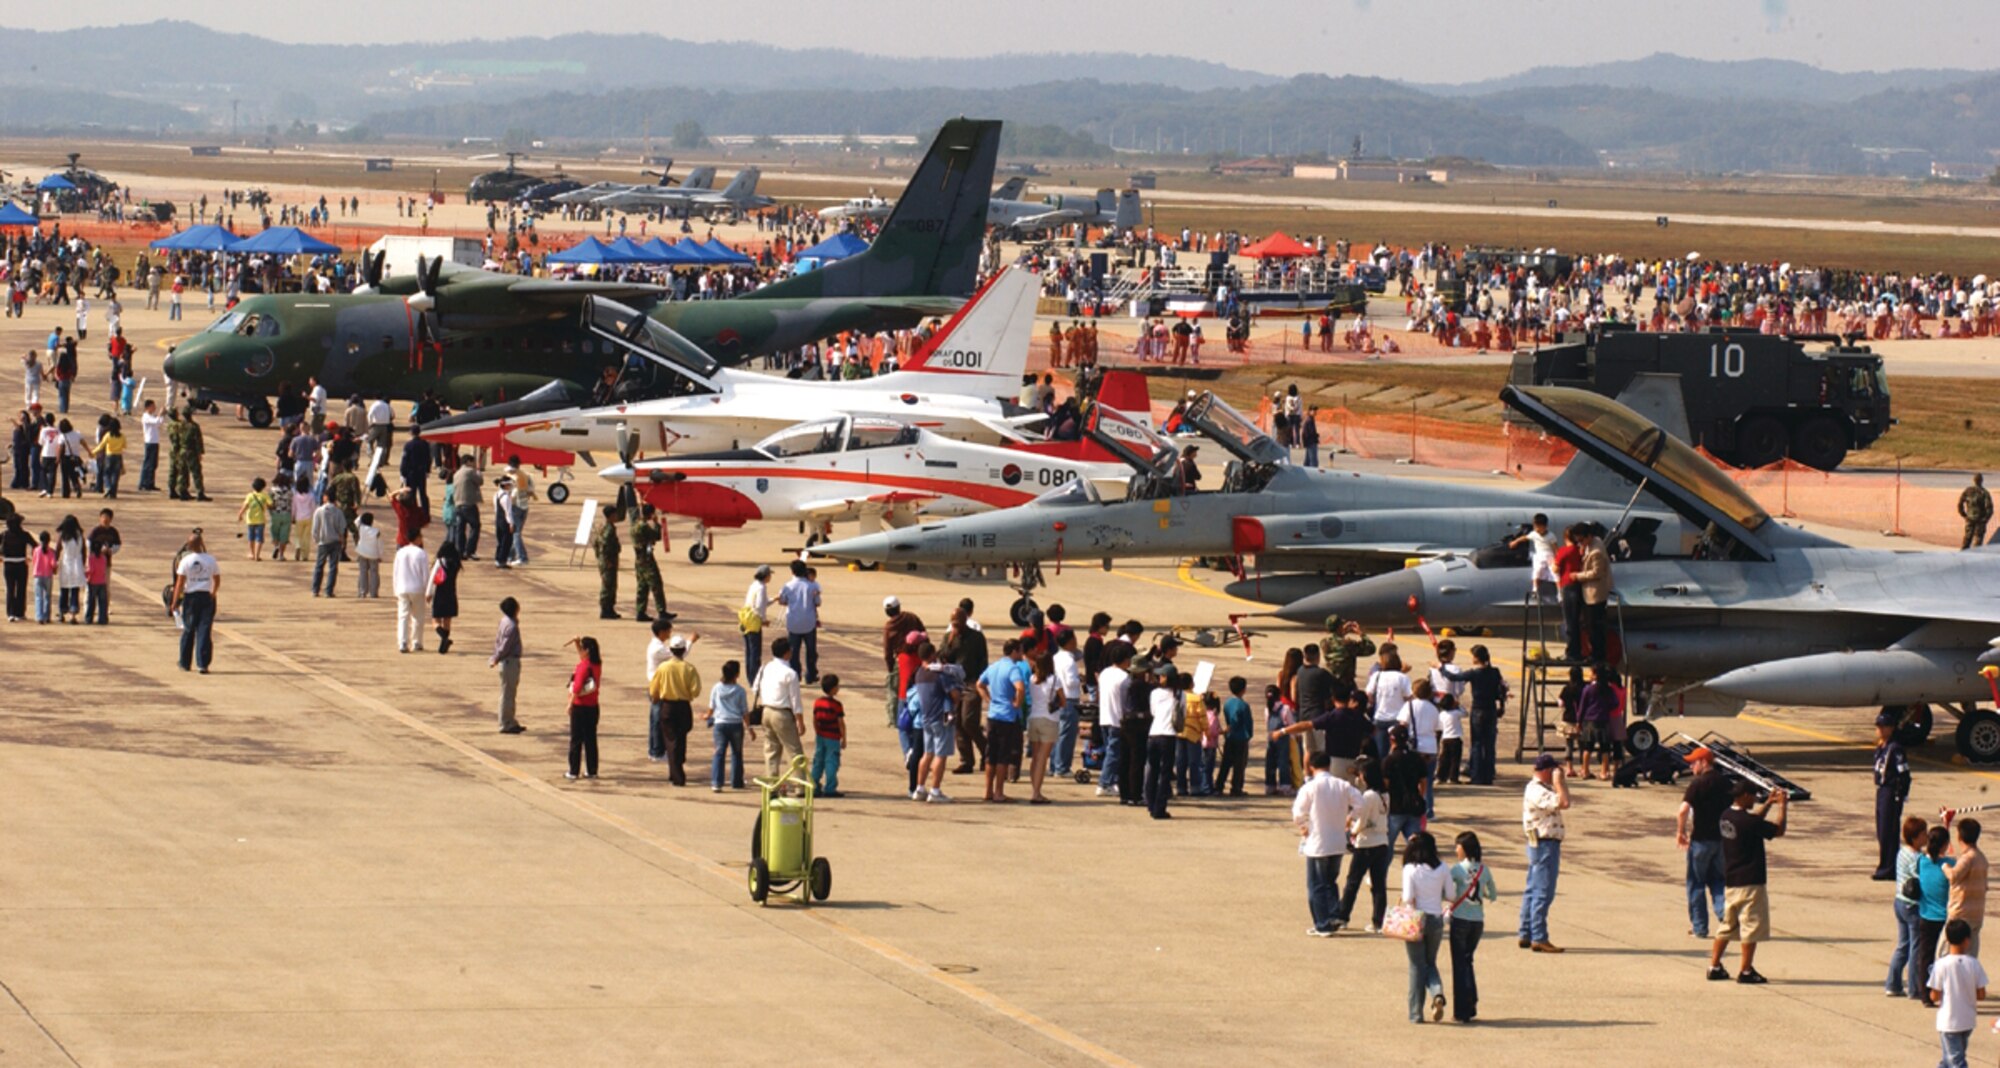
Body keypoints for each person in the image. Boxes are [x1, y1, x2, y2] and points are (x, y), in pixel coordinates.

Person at [1710, 780, 1788, 984]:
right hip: (1750, 881)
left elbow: (1753, 822)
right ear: (1744, 795)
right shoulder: (1748, 822)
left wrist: (1769, 803)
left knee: (1727, 926)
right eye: (1753, 795)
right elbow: (1778, 830)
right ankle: (1745, 970)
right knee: (1750, 927)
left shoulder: (1727, 816)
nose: (1755, 799)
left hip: (1732, 881)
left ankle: (1714, 965)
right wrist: (1782, 806)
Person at [1293, 750, 1362, 936]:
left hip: (1318, 842)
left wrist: (1303, 826)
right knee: (1331, 882)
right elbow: (1360, 802)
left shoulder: (1311, 787)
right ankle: (1332, 918)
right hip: (1337, 841)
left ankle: (1322, 923)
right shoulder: (1341, 785)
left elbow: (1298, 812)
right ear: (1329, 765)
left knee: (1316, 885)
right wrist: (1350, 818)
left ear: (1311, 767)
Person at [1676, 746, 1732, 939]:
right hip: (1721, 841)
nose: (1691, 766)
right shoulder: (1725, 782)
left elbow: (1683, 810)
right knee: (1718, 880)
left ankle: (1699, 927)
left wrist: (1680, 832)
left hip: (1700, 841)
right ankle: (1727, 918)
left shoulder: (1697, 784)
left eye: (1694, 762)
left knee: (1696, 883)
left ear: (1704, 763)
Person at [1519, 753, 1571, 953]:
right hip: (1544, 843)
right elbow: (1564, 802)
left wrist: (1558, 781)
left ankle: (1526, 932)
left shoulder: (1540, 788)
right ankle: (1539, 936)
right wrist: (1559, 781)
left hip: (1540, 842)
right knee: (1543, 891)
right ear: (1547, 771)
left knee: (1532, 889)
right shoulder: (1537, 790)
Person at [1447, 831, 1499, 1023]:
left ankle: (1461, 1010)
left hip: (1460, 919)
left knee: (1459, 965)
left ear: (1465, 849)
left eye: (1457, 846)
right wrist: (1481, 895)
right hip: (1477, 921)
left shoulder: (1457, 870)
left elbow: (1449, 893)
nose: (1455, 850)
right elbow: (1493, 894)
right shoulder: (1484, 870)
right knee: (1468, 961)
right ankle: (1471, 1002)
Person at [1401, 831, 1450, 1023]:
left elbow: (1407, 897)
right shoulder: (1443, 868)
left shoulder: (1410, 869)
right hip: (1436, 919)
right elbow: (1451, 895)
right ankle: (1437, 993)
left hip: (1416, 919)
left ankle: (1415, 1013)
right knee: (1430, 962)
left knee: (1416, 966)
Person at [912, 641, 966, 803]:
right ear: (932, 655)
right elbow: (954, 694)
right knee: (941, 755)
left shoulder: (919, 673)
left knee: (927, 754)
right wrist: (957, 700)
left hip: (926, 718)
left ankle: (920, 788)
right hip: (941, 719)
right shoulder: (940, 675)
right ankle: (935, 791)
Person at [1931, 918, 1986, 1068]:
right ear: (1967, 940)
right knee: (1953, 1058)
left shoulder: (1941, 965)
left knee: (1954, 1060)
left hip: (1948, 1021)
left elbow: (1934, 995)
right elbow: (1981, 994)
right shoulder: (1974, 963)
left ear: (1947, 939)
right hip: (1967, 1020)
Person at [978, 639, 1029, 803]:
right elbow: (1020, 687)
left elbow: (979, 684)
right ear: (1014, 651)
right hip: (1008, 716)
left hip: (993, 715)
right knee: (1003, 755)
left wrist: (988, 699)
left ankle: (988, 790)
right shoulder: (1012, 668)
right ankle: (999, 791)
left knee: (990, 754)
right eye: (1020, 651)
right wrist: (1017, 703)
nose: (1022, 654)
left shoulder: (994, 666)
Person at [648, 634, 701, 787]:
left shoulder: (663, 667)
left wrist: (657, 697)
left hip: (668, 706)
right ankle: (677, 771)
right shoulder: (689, 668)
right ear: (683, 649)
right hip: (683, 706)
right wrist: (687, 695)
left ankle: (675, 773)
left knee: (671, 741)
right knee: (681, 737)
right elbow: (696, 690)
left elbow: (654, 689)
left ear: (671, 650)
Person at [169, 531, 219, 673]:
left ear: (189, 546)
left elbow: (179, 583)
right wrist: (213, 593)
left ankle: (185, 662)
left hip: (190, 598)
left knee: (188, 629)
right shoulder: (210, 560)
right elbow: (217, 579)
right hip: (206, 597)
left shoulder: (185, 561)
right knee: (204, 630)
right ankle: (202, 664)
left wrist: (174, 602)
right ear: (202, 544)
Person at [1891, 816, 1929, 1000]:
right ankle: (1915, 987)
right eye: (1924, 834)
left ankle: (1893, 983)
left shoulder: (1902, 852)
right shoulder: (1917, 858)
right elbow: (1923, 874)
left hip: (1899, 901)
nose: (1927, 837)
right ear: (1915, 837)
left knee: (1903, 945)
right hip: (1912, 906)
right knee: (1916, 948)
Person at [756, 636, 805, 777]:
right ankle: (799, 786)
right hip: (782, 713)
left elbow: (756, 688)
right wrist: (800, 721)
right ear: (786, 653)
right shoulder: (790, 674)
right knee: (794, 750)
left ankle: (772, 785)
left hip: (766, 711)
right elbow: (795, 701)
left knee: (771, 750)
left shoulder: (765, 667)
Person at [1873, 709, 1913, 880]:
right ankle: (1884, 864)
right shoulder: (1881, 747)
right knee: (1882, 830)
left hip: (1891, 791)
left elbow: (1904, 774)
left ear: (1891, 728)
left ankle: (1889, 868)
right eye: (1879, 726)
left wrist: (1901, 794)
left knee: (1889, 830)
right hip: (1881, 790)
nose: (1881, 730)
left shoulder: (1895, 749)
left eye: (1885, 726)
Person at [1941, 815, 1987, 960]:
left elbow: (1954, 876)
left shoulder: (1968, 858)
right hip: (1976, 913)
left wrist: (1945, 866)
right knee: (1970, 955)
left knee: (1944, 953)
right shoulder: (1981, 858)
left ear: (1960, 836)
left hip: (1960, 913)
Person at [1918, 825, 1955, 1007]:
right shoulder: (1948, 864)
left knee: (1925, 956)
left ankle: (1925, 994)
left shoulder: (1921, 861)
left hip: (1925, 915)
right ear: (1946, 845)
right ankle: (1942, 991)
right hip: (1943, 917)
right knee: (1945, 958)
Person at [1145, 671, 1188, 819]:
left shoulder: (1155, 693)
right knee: (1165, 773)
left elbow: (1153, 712)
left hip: (1153, 733)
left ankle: (1150, 804)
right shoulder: (1180, 694)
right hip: (1168, 736)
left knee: (1153, 770)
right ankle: (1160, 808)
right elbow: (1183, 714)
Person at [882, 595, 926, 726]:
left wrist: (890, 667)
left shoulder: (889, 626)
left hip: (902, 660)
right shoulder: (911, 617)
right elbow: (924, 633)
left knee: (896, 690)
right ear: (899, 607)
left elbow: (887, 651)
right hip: (919, 657)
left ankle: (896, 720)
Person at [1383, 725, 1427, 857]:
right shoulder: (1417, 758)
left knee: (1387, 845)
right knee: (1415, 846)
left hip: (1395, 807)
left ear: (1391, 740)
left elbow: (1385, 784)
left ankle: (1381, 875)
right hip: (1413, 806)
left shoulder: (1389, 760)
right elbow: (1423, 781)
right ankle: (1419, 870)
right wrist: (1419, 796)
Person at [564, 636, 603, 781]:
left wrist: (569, 704)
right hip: (593, 706)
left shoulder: (583, 667)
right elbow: (583, 656)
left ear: (587, 650)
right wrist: (577, 644)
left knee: (576, 740)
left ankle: (573, 770)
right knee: (590, 739)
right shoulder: (596, 664)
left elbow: (578, 687)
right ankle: (592, 770)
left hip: (580, 707)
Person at [1096, 643, 1132, 798]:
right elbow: (1126, 701)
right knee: (1114, 753)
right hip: (1117, 720)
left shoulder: (1104, 673)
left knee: (1111, 751)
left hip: (1104, 717)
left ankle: (1112, 781)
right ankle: (1104, 783)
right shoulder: (1124, 677)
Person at [706, 660, 748, 791]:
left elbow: (711, 707)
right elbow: (744, 711)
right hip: (736, 724)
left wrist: (707, 716)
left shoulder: (717, 688)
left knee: (719, 753)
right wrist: (749, 728)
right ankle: (736, 782)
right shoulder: (740, 690)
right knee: (736, 753)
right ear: (737, 674)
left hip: (720, 724)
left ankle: (716, 782)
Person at [777, 559, 821, 684]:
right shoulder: (812, 585)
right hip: (809, 622)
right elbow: (818, 602)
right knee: (811, 651)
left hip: (793, 622)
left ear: (792, 571)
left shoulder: (788, 586)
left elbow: (782, 601)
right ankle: (810, 675)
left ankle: (796, 675)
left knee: (793, 652)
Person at [1025, 654, 1062, 803]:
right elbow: (1063, 700)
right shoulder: (1054, 680)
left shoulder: (1032, 679)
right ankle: (1036, 792)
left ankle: (1034, 789)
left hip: (1033, 717)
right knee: (1042, 758)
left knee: (1035, 757)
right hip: (1049, 719)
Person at [489, 597, 525, 734]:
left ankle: (511, 720)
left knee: (510, 692)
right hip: (509, 661)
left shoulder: (505, 621)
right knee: (507, 694)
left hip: (508, 661)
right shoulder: (512, 626)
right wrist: (496, 658)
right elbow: (504, 646)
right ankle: (505, 723)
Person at [392, 532, 430, 653]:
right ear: (417, 538)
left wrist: (396, 588)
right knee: (418, 617)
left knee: (403, 616)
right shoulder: (421, 553)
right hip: (417, 588)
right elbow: (425, 574)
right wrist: (427, 590)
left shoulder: (400, 552)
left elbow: (395, 572)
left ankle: (402, 642)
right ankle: (417, 641)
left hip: (402, 587)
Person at [809, 675, 846, 796]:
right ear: (833, 688)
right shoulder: (837, 705)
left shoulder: (818, 702)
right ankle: (830, 788)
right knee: (831, 762)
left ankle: (814, 786)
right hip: (833, 737)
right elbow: (841, 723)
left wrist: (817, 731)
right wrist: (844, 738)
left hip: (821, 736)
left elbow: (814, 719)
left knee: (818, 761)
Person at [630, 505, 667, 622]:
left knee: (642, 586)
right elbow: (656, 536)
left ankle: (640, 612)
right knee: (656, 584)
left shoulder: (635, 525)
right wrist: (656, 524)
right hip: (647, 560)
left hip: (639, 560)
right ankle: (662, 611)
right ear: (650, 514)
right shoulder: (644, 526)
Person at [1217, 676, 1253, 797]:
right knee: (1239, 764)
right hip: (1241, 737)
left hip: (1230, 736)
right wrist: (1249, 734)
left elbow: (1228, 719)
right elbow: (1248, 722)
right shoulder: (1244, 705)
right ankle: (1236, 787)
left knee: (1226, 762)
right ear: (1244, 689)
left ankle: (1219, 785)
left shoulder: (1227, 703)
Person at [310, 496, 347, 597]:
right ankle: (329, 591)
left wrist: (316, 539)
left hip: (323, 542)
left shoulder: (319, 511)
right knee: (333, 567)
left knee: (319, 566)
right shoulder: (338, 512)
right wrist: (342, 539)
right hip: (335, 542)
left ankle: (315, 589)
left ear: (326, 498)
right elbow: (342, 528)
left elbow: (315, 527)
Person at [429, 541, 462, 653]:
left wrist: (428, 593)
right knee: (447, 620)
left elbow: (432, 579)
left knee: (435, 620)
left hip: (440, 593)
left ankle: (444, 637)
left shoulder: (440, 562)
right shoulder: (456, 563)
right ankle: (443, 646)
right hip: (451, 593)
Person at [740, 564, 771, 681]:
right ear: (766, 576)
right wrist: (764, 620)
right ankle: (754, 677)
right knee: (755, 652)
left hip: (746, 619)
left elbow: (760, 603)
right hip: (754, 622)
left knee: (749, 651)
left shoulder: (754, 585)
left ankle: (750, 675)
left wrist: (773, 600)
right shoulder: (762, 588)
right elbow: (759, 607)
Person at [592, 506, 622, 620]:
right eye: (615, 514)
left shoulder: (603, 527)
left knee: (610, 585)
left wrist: (599, 557)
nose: (617, 516)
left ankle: (609, 609)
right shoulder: (609, 530)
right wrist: (608, 560)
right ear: (611, 516)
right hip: (609, 561)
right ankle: (606, 610)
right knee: (608, 586)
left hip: (605, 560)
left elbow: (596, 544)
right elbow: (605, 547)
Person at [2, 515, 31, 622]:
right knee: (21, 589)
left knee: (10, 589)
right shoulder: (24, 535)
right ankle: (20, 613)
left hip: (8, 564)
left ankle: (10, 613)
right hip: (21, 564)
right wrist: (31, 557)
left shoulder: (4, 535)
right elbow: (36, 545)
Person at [235, 478, 272, 560]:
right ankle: (257, 555)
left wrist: (240, 514)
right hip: (260, 520)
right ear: (263, 487)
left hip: (250, 520)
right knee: (260, 538)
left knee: (251, 537)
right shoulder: (265, 496)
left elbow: (245, 506)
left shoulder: (250, 496)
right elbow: (271, 504)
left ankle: (251, 553)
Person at [352, 512, 383, 598]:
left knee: (363, 572)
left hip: (362, 552)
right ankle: (373, 593)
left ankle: (362, 591)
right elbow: (380, 544)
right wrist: (380, 555)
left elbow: (356, 521)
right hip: (373, 554)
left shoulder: (361, 528)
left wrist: (362, 516)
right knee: (374, 573)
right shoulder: (376, 532)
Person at [1958, 473, 1991, 550]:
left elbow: (1960, 504)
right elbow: (1989, 509)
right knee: (1978, 540)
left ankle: (1963, 554)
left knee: (1967, 538)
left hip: (1970, 518)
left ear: (1973, 480)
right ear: (1981, 481)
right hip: (1980, 520)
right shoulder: (1984, 493)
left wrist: (1964, 515)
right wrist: (1985, 519)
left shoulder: (1968, 491)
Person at [490, 476, 515, 569]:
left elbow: (497, 509)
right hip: (505, 522)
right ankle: (502, 561)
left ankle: (498, 559)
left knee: (500, 541)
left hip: (498, 520)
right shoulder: (506, 498)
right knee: (506, 542)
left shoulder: (496, 494)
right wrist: (511, 524)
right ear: (505, 485)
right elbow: (508, 512)